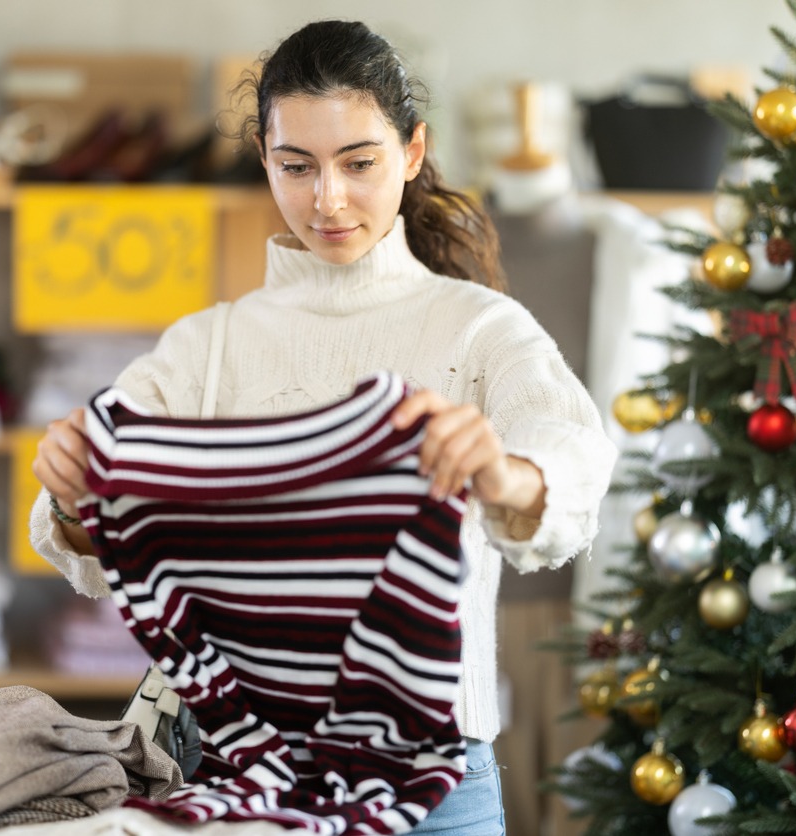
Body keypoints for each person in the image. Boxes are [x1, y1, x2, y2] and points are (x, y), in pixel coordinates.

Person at [31, 18, 617, 835]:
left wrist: (504, 472)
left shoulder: (482, 331)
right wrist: (71, 491)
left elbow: (574, 456)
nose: (327, 199)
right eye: (295, 166)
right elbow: (92, 532)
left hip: (434, 788)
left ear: (413, 152)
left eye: (359, 163)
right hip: (237, 777)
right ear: (264, 162)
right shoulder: (212, 346)